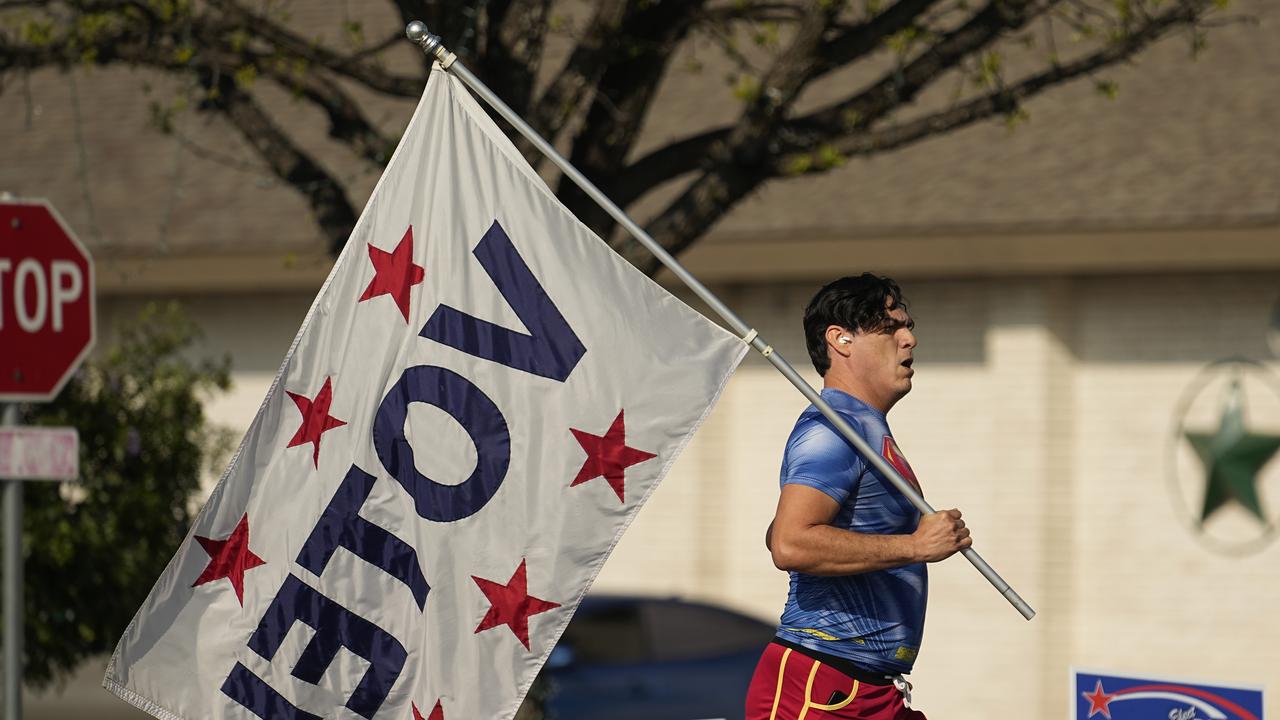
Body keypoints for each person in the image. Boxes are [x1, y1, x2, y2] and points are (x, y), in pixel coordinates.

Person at [744, 274, 972, 720]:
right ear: (840, 340)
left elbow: (777, 533)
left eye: (907, 327)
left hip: (870, 689)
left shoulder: (863, 426)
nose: (909, 339)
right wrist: (916, 546)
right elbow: (790, 545)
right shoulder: (833, 428)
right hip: (819, 688)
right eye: (890, 328)